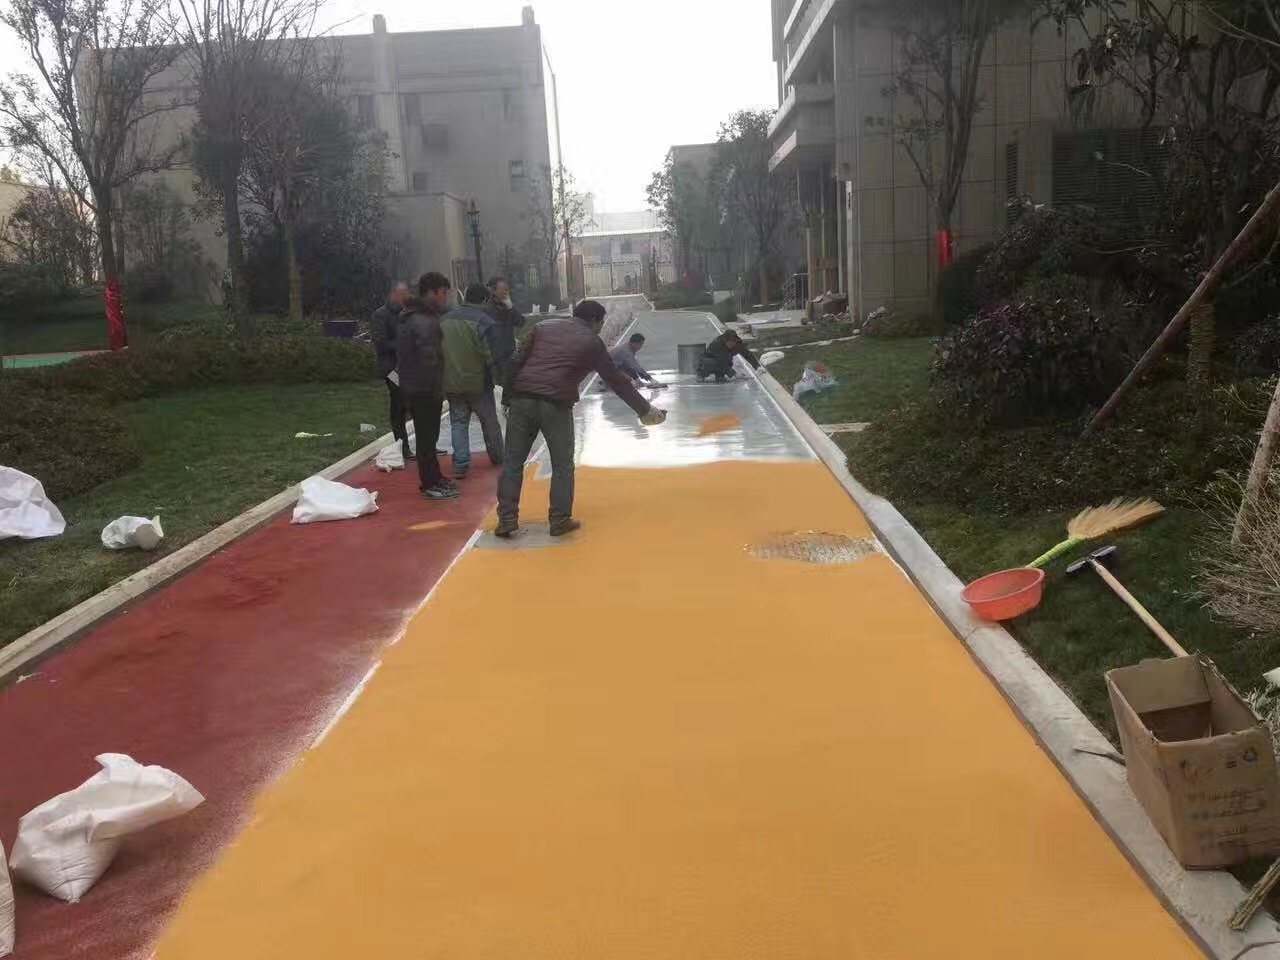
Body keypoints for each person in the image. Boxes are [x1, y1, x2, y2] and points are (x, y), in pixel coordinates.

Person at [497, 299, 667, 539]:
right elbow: (615, 381)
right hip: (555, 404)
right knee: (562, 465)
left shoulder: (542, 327)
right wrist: (645, 410)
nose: (601, 327)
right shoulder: (592, 342)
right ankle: (559, 520)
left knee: (512, 462)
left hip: (522, 400)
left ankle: (506, 520)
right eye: (602, 322)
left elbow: (516, 362)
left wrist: (507, 398)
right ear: (595, 320)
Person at [396, 272, 458, 500]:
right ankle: (430, 482)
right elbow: (428, 358)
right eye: (443, 292)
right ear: (431, 292)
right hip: (423, 387)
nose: (445, 297)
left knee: (429, 437)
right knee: (426, 437)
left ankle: (435, 477)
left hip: (421, 385)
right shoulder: (423, 320)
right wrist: (437, 386)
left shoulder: (420, 316)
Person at [442, 283, 505, 480]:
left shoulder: (444, 320)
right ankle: (498, 457)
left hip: (452, 382)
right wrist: (499, 376)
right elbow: (490, 354)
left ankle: (460, 465)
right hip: (479, 383)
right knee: (489, 421)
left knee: (458, 423)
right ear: (485, 300)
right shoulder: (485, 322)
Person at [370, 281, 413, 461]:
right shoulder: (380, 315)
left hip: (409, 365)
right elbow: (380, 341)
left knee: (413, 404)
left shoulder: (407, 314)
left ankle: (419, 445)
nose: (406, 298)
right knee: (399, 405)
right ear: (393, 294)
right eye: (402, 294)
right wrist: (402, 345)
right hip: (392, 367)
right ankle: (402, 445)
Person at [484, 276, 525, 388]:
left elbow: (520, 322)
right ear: (493, 291)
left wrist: (511, 308)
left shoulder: (507, 306)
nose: (506, 292)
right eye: (503, 289)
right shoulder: (488, 308)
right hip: (495, 356)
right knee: (500, 386)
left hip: (508, 353)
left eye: (507, 289)